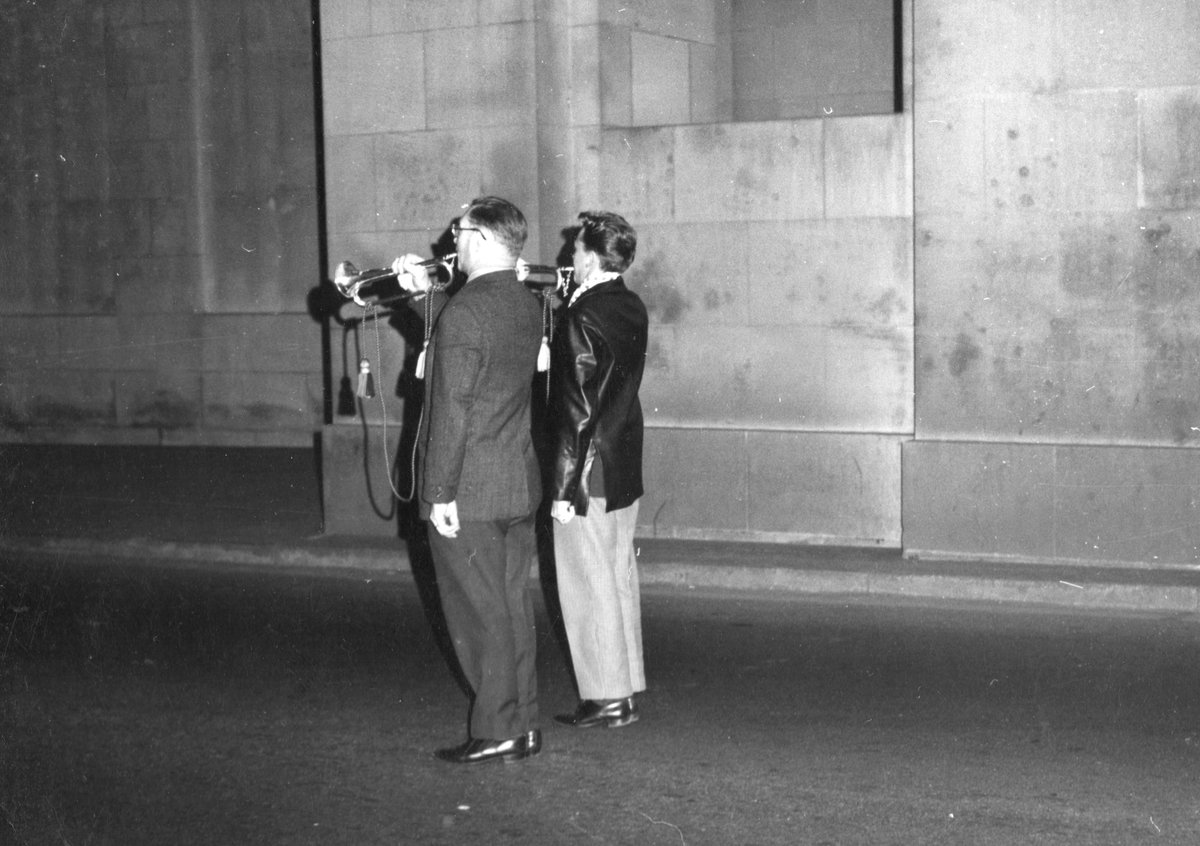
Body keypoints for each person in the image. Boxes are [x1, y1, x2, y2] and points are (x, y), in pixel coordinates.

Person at [392, 196, 545, 764]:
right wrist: (420, 294)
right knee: (508, 606)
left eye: (458, 232)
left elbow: (452, 406)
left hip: (468, 490)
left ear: (479, 239)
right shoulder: (524, 304)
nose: (449, 243)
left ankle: (497, 726)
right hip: (514, 482)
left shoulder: (465, 313)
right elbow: (469, 337)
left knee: (478, 615)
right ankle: (522, 720)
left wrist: (438, 493)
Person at [548, 210, 648, 729]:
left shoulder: (581, 315)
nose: (570, 257)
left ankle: (606, 697)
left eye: (576, 250)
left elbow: (576, 408)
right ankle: (625, 686)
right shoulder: (629, 305)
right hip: (622, 462)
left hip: (588, 469)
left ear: (590, 256)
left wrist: (564, 486)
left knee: (588, 583)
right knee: (616, 575)